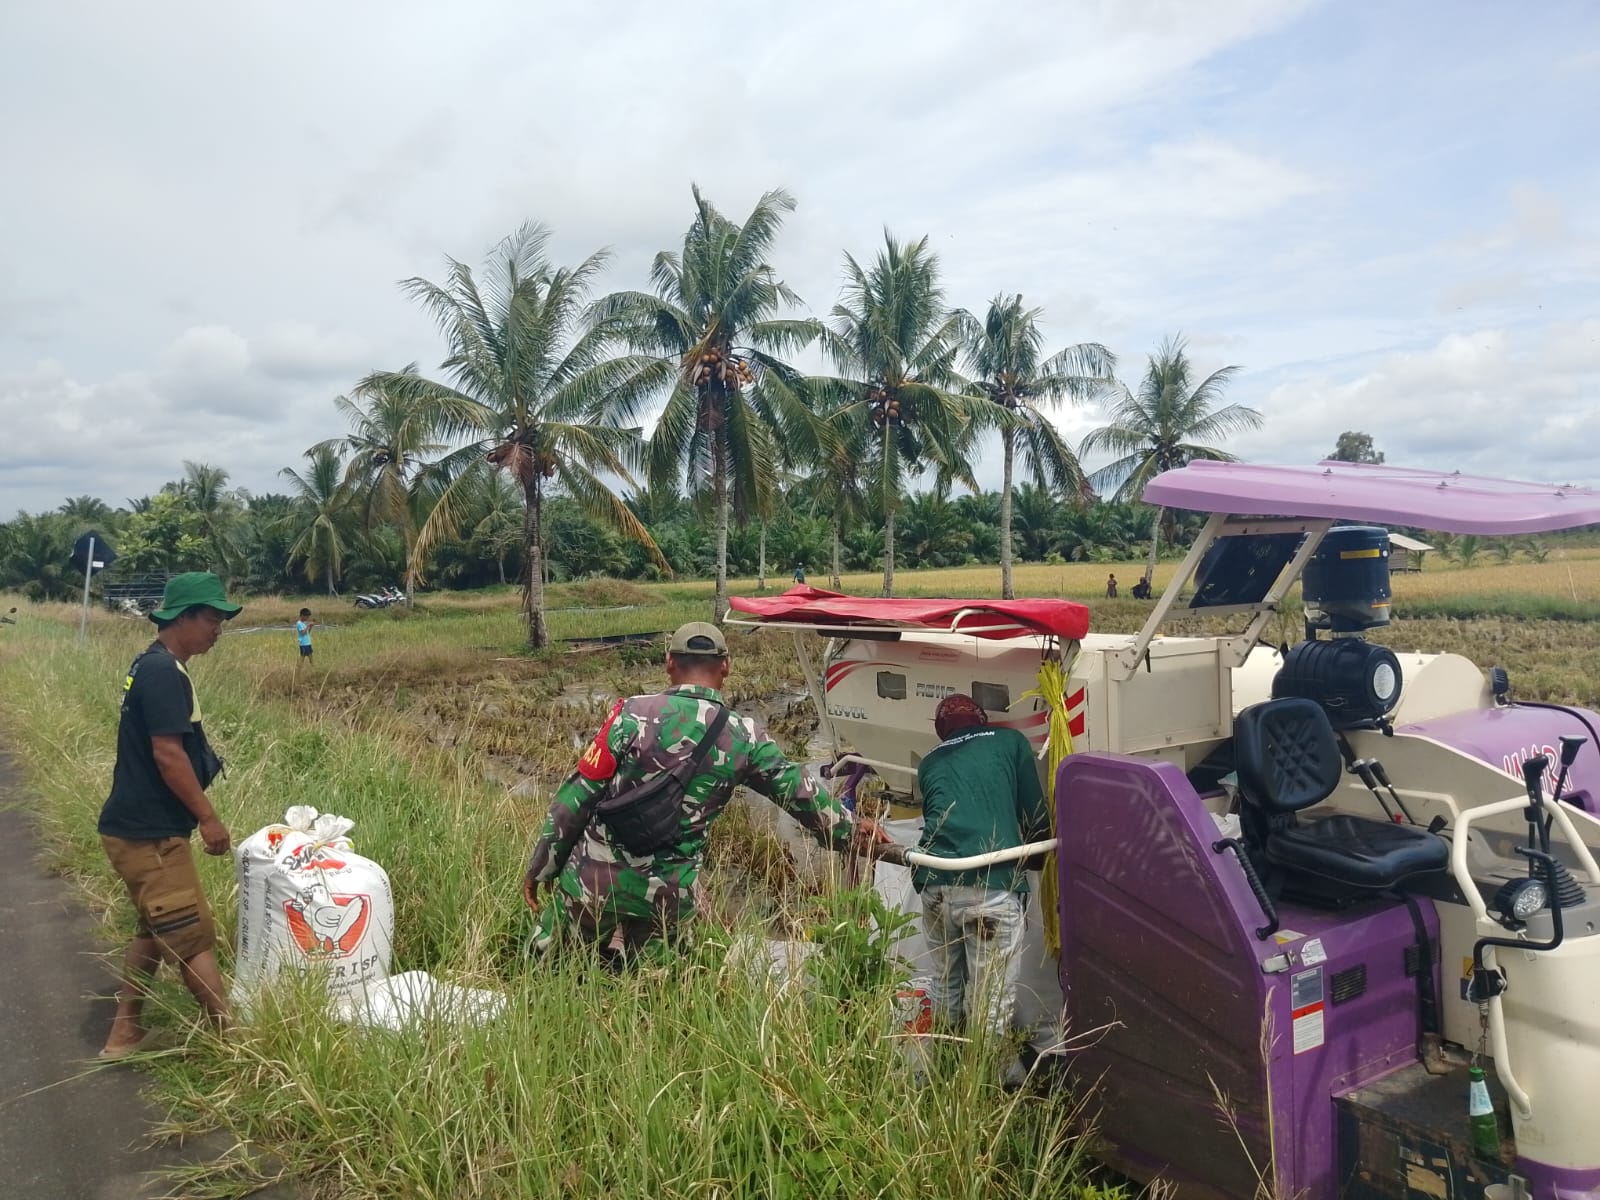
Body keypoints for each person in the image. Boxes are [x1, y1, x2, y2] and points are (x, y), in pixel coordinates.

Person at [524, 622, 863, 967]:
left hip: (592, 883)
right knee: (653, 996)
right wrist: (854, 831)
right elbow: (799, 791)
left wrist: (541, 869)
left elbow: (575, 800)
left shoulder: (630, 714)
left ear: (669, 662)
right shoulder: (744, 736)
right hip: (667, 895)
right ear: (726, 665)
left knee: (544, 972)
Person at [96, 572, 241, 1058]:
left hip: (136, 828)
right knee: (191, 934)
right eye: (212, 618)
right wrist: (209, 818)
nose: (218, 628)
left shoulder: (157, 666)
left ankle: (125, 1032)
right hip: (150, 835)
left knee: (155, 931)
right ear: (185, 617)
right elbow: (169, 755)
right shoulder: (161, 672)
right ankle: (235, 1043)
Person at [873, 694, 1049, 1079]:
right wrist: (1039, 856)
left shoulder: (932, 762)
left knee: (945, 986)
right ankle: (983, 1089)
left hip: (936, 884)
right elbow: (1035, 813)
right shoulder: (1010, 742)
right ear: (983, 720)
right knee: (992, 1001)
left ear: (940, 734)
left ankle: (944, 1071)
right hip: (990, 886)